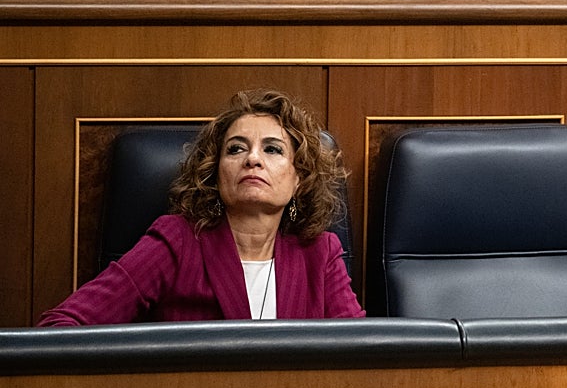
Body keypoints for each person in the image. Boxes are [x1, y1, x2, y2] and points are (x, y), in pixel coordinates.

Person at [39, 90, 364, 325]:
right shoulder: (178, 241)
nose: (252, 159)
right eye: (236, 149)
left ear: (299, 180)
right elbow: (64, 327)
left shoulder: (319, 253)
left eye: (272, 149)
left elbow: (359, 357)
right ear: (215, 173)